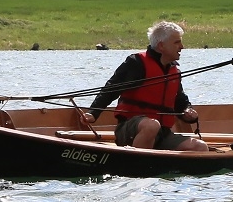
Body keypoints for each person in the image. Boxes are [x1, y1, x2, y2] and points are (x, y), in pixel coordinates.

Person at [86, 20, 208, 152]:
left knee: (200, 147)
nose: (182, 47)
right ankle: (136, 167)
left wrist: (188, 111)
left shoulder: (174, 71)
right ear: (161, 46)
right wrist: (93, 113)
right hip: (130, 129)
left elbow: (180, 103)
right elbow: (111, 89)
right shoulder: (136, 63)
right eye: (177, 42)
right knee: (151, 126)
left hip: (162, 133)